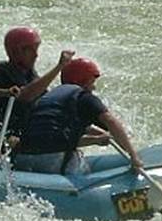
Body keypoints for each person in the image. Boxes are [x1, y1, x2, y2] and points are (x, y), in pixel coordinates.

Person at [13, 57, 143, 174]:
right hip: (53, 161)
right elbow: (110, 121)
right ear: (84, 81)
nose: (94, 88)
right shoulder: (84, 97)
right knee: (82, 167)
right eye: (92, 82)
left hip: (24, 159)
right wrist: (133, 156)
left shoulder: (48, 99)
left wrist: (96, 138)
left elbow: (53, 139)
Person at [0, 26, 74, 145]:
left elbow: (46, 105)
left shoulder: (31, 75)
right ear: (15, 51)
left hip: (20, 137)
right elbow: (26, 95)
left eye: (36, 49)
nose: (36, 55)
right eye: (30, 50)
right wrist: (59, 67)